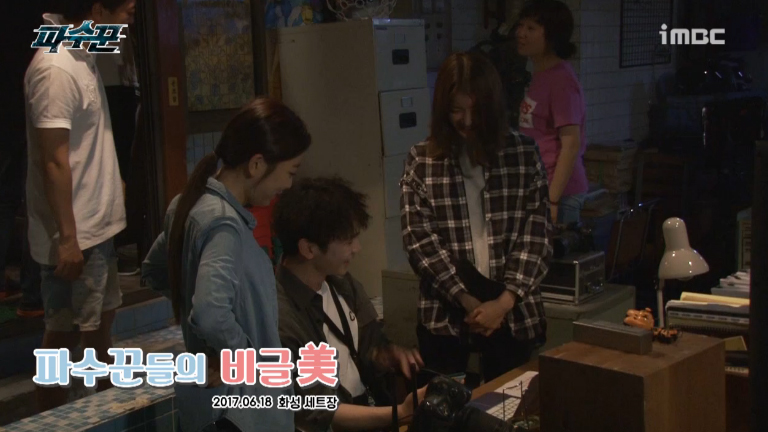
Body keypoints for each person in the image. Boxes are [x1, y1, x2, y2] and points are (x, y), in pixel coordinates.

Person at [141, 97, 311, 432]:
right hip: (241, 411)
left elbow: (155, 271)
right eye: (289, 172)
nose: (288, 185)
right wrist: (242, 358)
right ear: (257, 164)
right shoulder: (224, 224)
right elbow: (209, 312)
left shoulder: (186, 205)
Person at [400, 52, 553, 385]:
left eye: (477, 110)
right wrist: (467, 301)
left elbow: (537, 235)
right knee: (445, 407)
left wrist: (503, 303)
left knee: (511, 406)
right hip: (445, 316)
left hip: (513, 314)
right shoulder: (422, 160)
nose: (467, 121)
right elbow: (419, 240)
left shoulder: (523, 154)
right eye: (457, 110)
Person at [24, 0, 136, 411]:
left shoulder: (82, 53)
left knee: (100, 326)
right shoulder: (55, 67)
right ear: (97, 11)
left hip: (96, 225)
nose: (129, 21)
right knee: (65, 335)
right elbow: (53, 161)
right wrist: (68, 239)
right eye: (126, 13)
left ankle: (107, 411)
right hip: (76, 233)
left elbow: (84, 141)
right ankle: (48, 418)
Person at [272, 176, 427, 432]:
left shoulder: (342, 283)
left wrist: (388, 355)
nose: (357, 248)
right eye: (348, 240)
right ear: (309, 249)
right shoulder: (280, 316)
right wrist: (401, 412)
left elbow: (368, 346)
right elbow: (317, 411)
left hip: (372, 411)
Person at [516, 0, 588, 226]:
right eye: (521, 26)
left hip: (561, 194)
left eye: (531, 28)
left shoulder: (561, 80)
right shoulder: (541, 74)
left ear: (552, 35)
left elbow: (571, 144)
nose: (521, 33)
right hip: (540, 188)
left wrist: (553, 200)